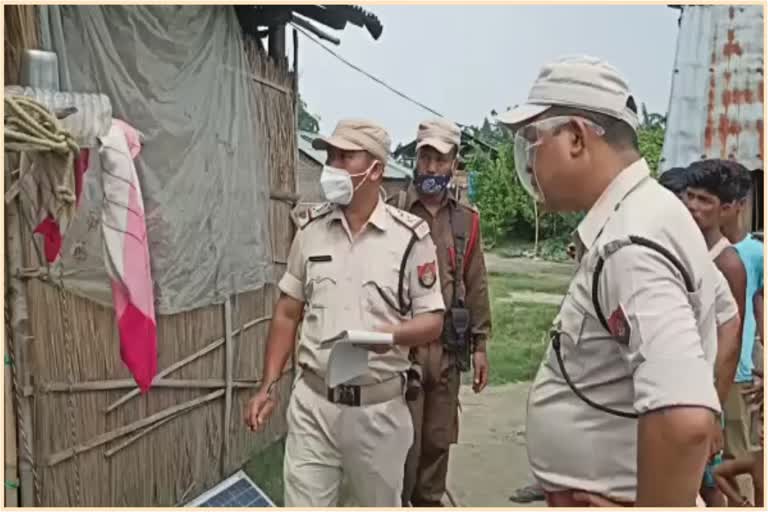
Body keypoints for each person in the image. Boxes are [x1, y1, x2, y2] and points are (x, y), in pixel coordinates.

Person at [498, 55, 722, 507]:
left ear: (577, 138)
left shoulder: (631, 242)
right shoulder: (649, 214)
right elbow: (725, 314)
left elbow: (684, 422)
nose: (529, 159)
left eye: (533, 140)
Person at [243, 119, 446, 507]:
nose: (331, 165)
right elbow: (287, 312)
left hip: (378, 412)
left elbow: (432, 320)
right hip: (313, 405)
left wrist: (389, 336)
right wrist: (267, 385)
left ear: (375, 169)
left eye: (344, 156)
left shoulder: (409, 239)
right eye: (330, 156)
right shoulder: (311, 230)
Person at [387, 118, 492, 507]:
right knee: (403, 444)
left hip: (447, 351)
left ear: (454, 163)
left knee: (437, 441)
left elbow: (476, 281)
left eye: (440, 159)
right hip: (405, 351)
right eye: (426, 157)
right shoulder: (393, 211)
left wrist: (480, 344)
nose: (431, 167)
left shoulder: (466, 220)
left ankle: (429, 502)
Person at [684, 159, 749, 506]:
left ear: (725, 209)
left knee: (716, 481)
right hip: (690, 380)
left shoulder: (727, 262)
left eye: (704, 200)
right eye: (689, 196)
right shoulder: (688, 249)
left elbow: (731, 338)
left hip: (714, 385)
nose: (693, 206)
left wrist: (713, 410)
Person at [717, 161, 764, 502]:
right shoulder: (705, 251)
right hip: (706, 370)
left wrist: (762, 364)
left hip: (739, 372)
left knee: (740, 454)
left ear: (741, 205)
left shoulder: (755, 253)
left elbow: (760, 310)